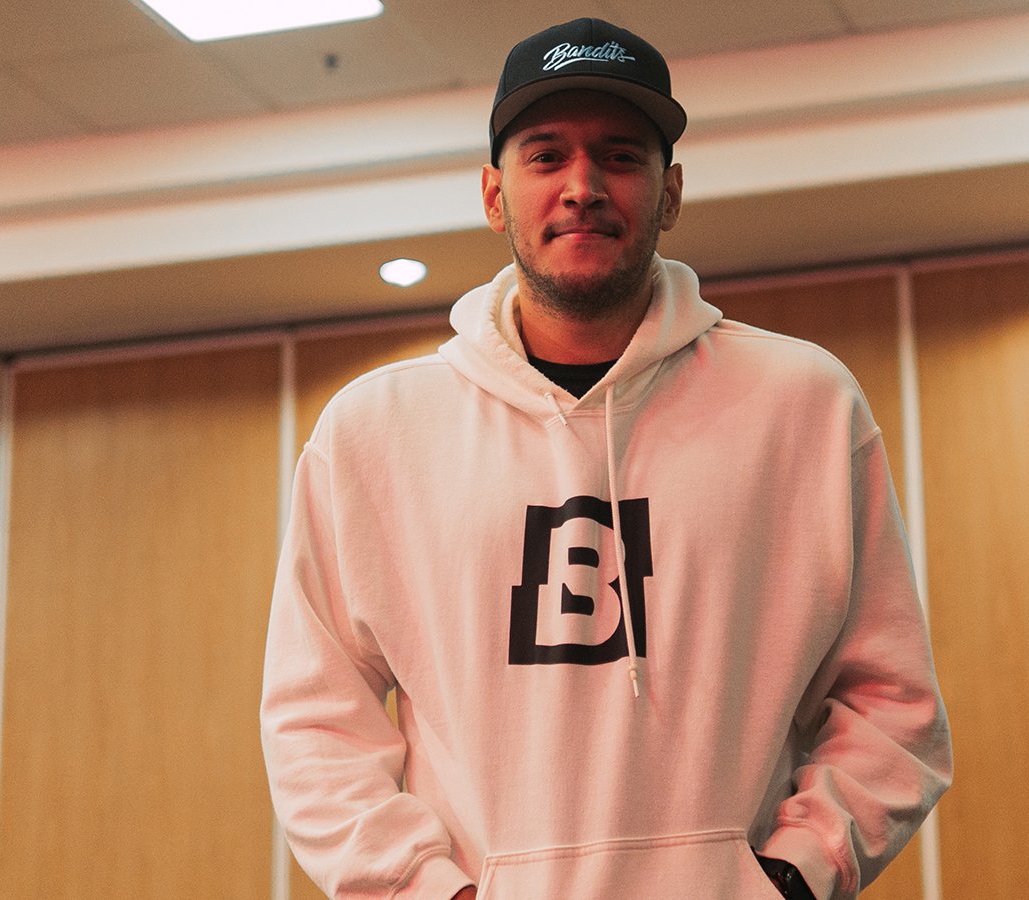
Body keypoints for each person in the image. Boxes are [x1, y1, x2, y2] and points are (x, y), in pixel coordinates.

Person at [261, 17, 951, 900]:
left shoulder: (802, 403)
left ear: (668, 193)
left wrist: (794, 874)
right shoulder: (373, 432)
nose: (582, 186)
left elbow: (893, 703)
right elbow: (314, 722)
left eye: (619, 156)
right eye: (546, 156)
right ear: (492, 194)